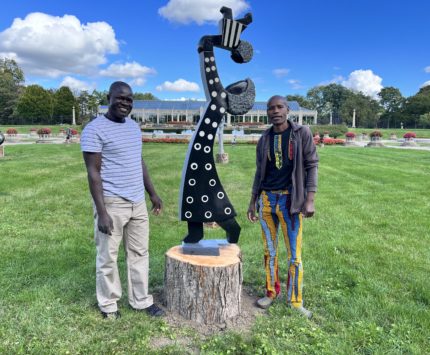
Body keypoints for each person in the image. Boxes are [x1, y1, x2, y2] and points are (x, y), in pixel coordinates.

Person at [81, 81, 164, 319]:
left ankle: (141, 300)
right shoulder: (94, 129)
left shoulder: (133, 127)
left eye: (129, 99)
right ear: (109, 98)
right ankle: (108, 305)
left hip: (137, 202)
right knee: (108, 256)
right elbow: (93, 173)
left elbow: (139, 162)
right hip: (112, 202)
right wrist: (102, 211)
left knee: (140, 253)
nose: (125, 103)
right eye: (120, 98)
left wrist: (152, 193)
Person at [247, 95, 318, 319]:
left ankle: (295, 301)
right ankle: (271, 291)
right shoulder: (265, 138)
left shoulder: (301, 133)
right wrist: (253, 200)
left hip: (291, 202)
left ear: (287, 110)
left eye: (279, 107)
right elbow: (260, 171)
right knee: (269, 251)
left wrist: (310, 199)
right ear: (267, 112)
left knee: (294, 255)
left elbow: (312, 165)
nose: (275, 111)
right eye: (271, 108)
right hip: (267, 200)